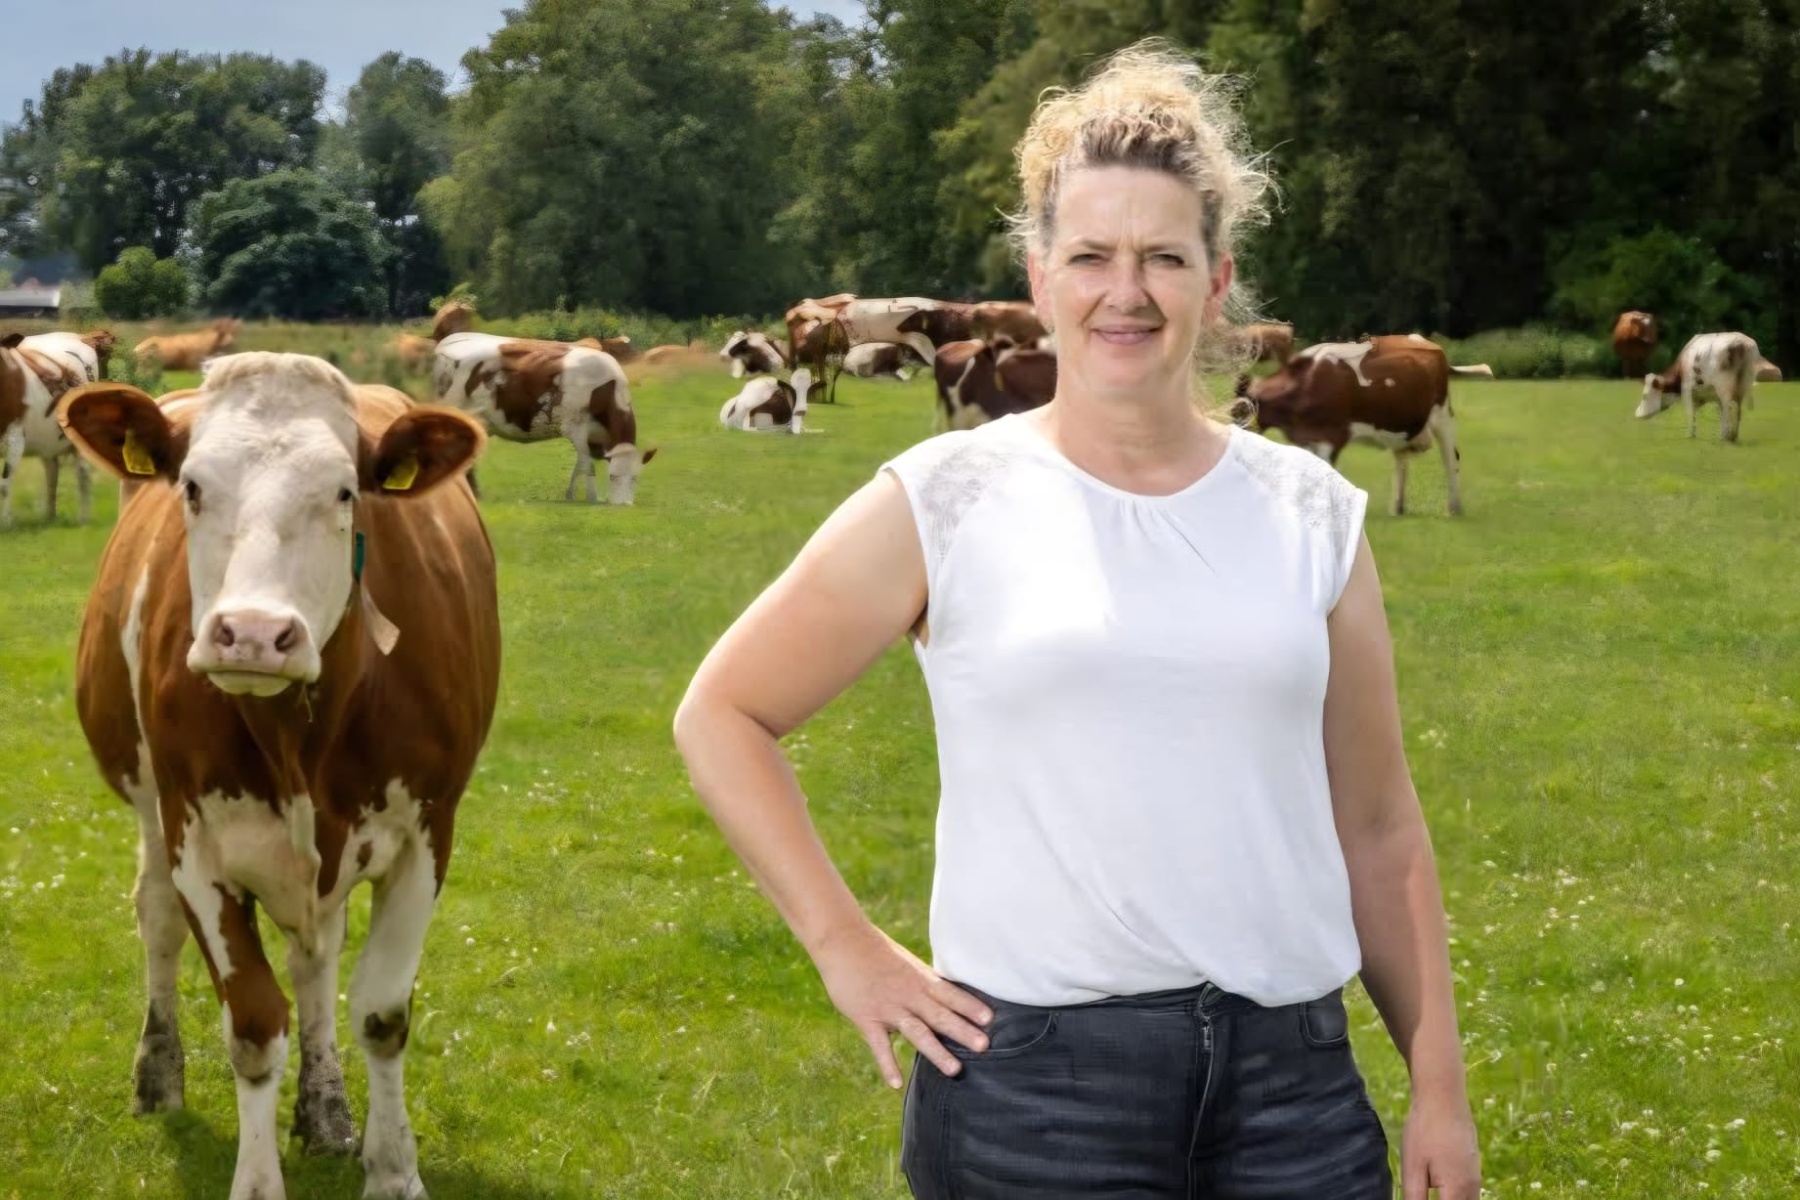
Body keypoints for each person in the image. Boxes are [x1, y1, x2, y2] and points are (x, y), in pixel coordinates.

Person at [673, 38, 1481, 1200]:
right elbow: (723, 713)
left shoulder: (1313, 512)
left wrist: (1439, 1089)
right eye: (1091, 255)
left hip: (1292, 1094)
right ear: (1040, 277)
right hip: (1035, 1097)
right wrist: (844, 945)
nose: (1126, 290)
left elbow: (1379, 825)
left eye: (1163, 256)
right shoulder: (944, 497)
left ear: (1217, 281)